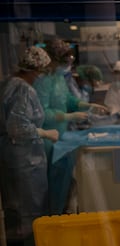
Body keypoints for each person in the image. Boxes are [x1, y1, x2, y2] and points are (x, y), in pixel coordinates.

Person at [0, 46, 59, 246]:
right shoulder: (23, 88)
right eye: (43, 71)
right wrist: (44, 132)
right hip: (25, 163)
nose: (43, 75)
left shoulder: (7, 84)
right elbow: (17, 127)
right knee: (31, 217)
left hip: (12, 160)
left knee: (15, 218)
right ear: (36, 69)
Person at [33, 38, 106, 214]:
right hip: (47, 141)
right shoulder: (42, 81)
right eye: (63, 62)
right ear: (52, 60)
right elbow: (42, 113)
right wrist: (69, 116)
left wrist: (85, 106)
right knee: (51, 186)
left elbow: (67, 99)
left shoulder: (58, 78)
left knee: (63, 185)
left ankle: (59, 215)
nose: (66, 66)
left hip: (61, 137)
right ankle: (50, 220)